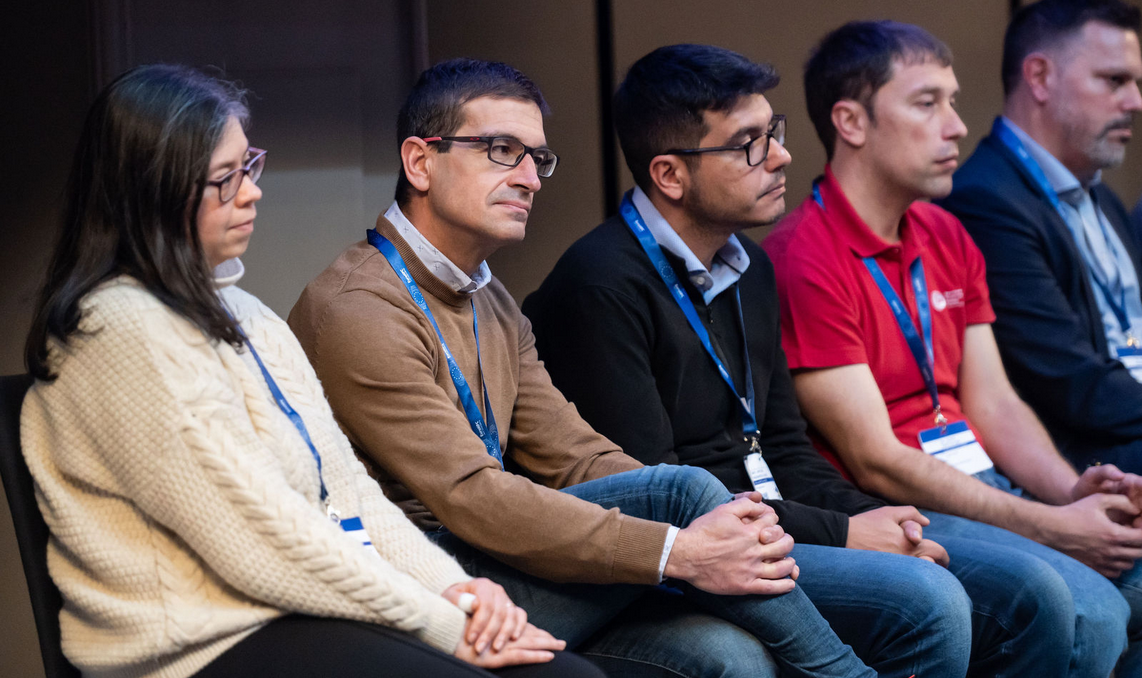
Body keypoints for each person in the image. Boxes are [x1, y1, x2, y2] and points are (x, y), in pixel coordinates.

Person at [289, 58, 881, 677]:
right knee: (683, 494)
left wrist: (708, 519)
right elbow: (472, 497)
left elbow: (574, 455)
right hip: (422, 583)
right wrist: (676, 546)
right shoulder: (360, 307)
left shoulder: (488, 295)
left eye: (536, 158)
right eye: (501, 150)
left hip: (490, 557)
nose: (529, 178)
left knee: (731, 657)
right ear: (420, 162)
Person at [523, 41, 1098, 676]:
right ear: (669, 175)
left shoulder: (751, 268)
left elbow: (786, 452)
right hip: (692, 549)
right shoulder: (600, 287)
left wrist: (869, 519)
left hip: (777, 522)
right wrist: (845, 532)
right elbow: (661, 494)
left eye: (774, 131)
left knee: (1030, 592)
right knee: (928, 603)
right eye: (749, 144)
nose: (781, 156)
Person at [21, 64, 601, 678]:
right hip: (200, 649)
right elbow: (255, 534)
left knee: (565, 675)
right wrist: (438, 622)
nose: (252, 193)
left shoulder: (245, 312)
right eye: (225, 178)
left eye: (250, 167)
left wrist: (454, 589)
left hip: (299, 612)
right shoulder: (118, 329)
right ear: (151, 189)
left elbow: (346, 491)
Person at [762, 19, 1142, 677]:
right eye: (927, 102)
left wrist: (1069, 490)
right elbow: (874, 459)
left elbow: (993, 401)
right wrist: (1049, 524)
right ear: (850, 121)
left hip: (982, 482)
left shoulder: (946, 231)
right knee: (1092, 609)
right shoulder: (803, 256)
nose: (958, 126)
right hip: (901, 506)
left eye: (955, 100)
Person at [940, 0, 1142, 474]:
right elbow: (1070, 385)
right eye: (1115, 80)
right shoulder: (984, 201)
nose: (1135, 101)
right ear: (1040, 77)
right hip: (1079, 457)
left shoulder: (1102, 196)